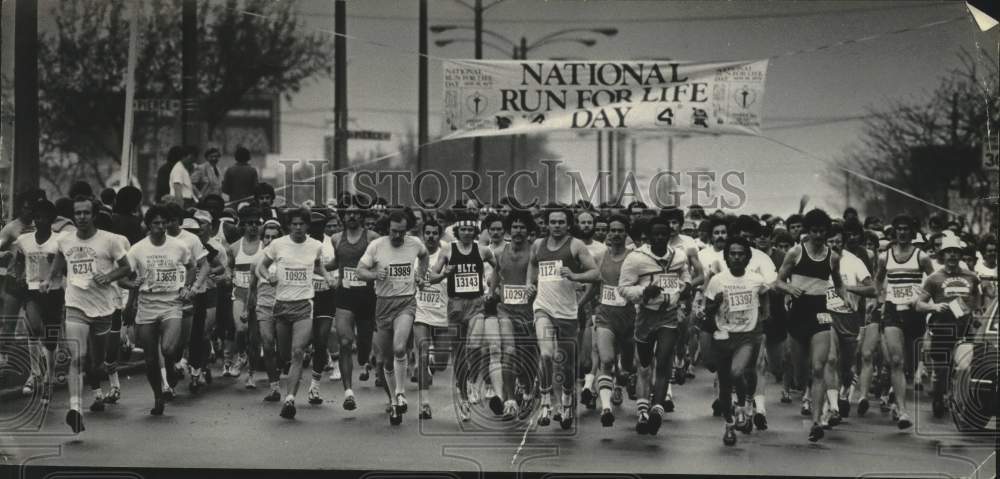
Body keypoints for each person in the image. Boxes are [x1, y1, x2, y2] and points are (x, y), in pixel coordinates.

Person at [42, 197, 132, 433]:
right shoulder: (64, 240)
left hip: (103, 308)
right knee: (78, 357)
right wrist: (49, 279)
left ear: (94, 215)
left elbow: (127, 268)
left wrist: (109, 277)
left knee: (97, 364)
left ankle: (93, 387)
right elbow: (58, 264)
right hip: (75, 304)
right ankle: (76, 409)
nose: (81, 217)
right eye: (78, 213)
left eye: (86, 213)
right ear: (74, 215)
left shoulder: (110, 241)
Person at [774, 208, 846, 441]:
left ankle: (816, 422)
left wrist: (844, 298)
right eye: (814, 230)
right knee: (801, 372)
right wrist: (789, 288)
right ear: (808, 231)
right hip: (798, 312)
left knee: (818, 368)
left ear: (827, 232)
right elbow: (778, 281)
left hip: (820, 312)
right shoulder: (796, 253)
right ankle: (804, 390)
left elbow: (838, 282)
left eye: (822, 231)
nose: (818, 235)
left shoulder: (832, 257)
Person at [256, 208, 334, 419]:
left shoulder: (315, 246)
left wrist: (326, 276)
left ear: (307, 226)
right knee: (284, 355)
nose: (298, 227)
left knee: (297, 351)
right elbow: (261, 267)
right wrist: (268, 277)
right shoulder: (278, 244)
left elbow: (317, 266)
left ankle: (290, 399)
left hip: (304, 305)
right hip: (282, 305)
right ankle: (289, 371)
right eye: (294, 224)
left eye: (302, 224)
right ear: (289, 226)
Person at [618, 216, 693, 435]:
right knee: (643, 365)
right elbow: (623, 289)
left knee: (664, 359)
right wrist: (643, 292)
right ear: (648, 237)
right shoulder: (635, 259)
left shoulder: (678, 256)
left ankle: (657, 409)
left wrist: (685, 288)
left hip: (668, 315)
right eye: (656, 234)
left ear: (669, 235)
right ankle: (642, 410)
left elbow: (686, 276)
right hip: (645, 317)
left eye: (664, 234)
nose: (660, 237)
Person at [121, 204, 198, 415]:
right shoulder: (137, 249)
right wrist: (131, 289)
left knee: (168, 349)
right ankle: (157, 396)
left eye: (164, 223)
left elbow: (192, 267)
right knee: (150, 359)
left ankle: (171, 368)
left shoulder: (179, 246)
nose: (161, 227)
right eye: (156, 223)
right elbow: (123, 276)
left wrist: (186, 287)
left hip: (171, 303)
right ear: (148, 225)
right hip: (147, 304)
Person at [528, 207, 599, 429]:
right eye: (552, 222)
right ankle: (547, 400)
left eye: (560, 222)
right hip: (543, 308)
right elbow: (532, 265)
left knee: (567, 365)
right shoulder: (538, 245)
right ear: (546, 224)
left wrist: (575, 275)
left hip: (567, 311)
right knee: (547, 354)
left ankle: (568, 398)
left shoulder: (576, 245)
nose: (556, 225)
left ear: (568, 224)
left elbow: (595, 274)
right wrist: (530, 284)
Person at [356, 211, 429, 425]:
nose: (398, 236)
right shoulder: (377, 246)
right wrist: (373, 275)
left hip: (406, 302)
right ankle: (394, 403)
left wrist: (421, 276)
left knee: (399, 348)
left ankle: (400, 392)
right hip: (383, 304)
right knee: (386, 360)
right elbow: (360, 271)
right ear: (387, 229)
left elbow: (424, 256)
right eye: (394, 232)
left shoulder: (414, 243)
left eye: (402, 232)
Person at [427, 215, 499, 420]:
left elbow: (499, 268)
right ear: (457, 232)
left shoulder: (483, 250)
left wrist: (491, 288)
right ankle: (464, 393)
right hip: (456, 305)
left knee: (475, 346)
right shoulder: (448, 249)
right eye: (463, 230)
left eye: (470, 230)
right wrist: (444, 274)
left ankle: (472, 380)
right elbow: (432, 276)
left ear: (475, 232)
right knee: (459, 353)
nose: (467, 233)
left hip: (476, 303)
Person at [702, 236, 770, 446]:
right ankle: (729, 424)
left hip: (747, 335)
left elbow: (765, 295)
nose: (737, 257)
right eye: (733, 254)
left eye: (741, 254)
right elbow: (707, 310)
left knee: (738, 372)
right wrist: (717, 304)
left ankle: (742, 406)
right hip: (723, 335)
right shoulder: (717, 280)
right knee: (724, 385)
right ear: (727, 257)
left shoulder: (755, 280)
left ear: (747, 257)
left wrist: (765, 314)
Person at [871, 214, 934, 426]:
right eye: (899, 229)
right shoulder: (885, 257)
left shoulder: (922, 257)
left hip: (914, 312)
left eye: (906, 229)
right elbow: (878, 279)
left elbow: (933, 281)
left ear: (912, 231)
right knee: (896, 361)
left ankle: (897, 400)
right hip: (892, 311)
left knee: (909, 363)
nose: (902, 232)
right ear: (895, 232)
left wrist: (925, 300)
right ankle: (903, 410)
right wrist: (880, 298)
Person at [915, 234, 982, 419]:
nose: (952, 255)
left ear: (960, 255)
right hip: (942, 328)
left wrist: (975, 312)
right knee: (941, 371)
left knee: (964, 367)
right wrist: (934, 306)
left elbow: (977, 297)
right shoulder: (934, 278)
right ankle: (939, 396)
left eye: (956, 252)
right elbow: (919, 304)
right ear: (942, 255)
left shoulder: (971, 276)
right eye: (949, 252)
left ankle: (960, 402)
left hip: (964, 329)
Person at [11, 200, 63, 401]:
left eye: (42, 217)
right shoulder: (24, 240)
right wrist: (18, 276)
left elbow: (67, 266)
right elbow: (18, 261)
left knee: (50, 340)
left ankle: (49, 378)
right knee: (34, 328)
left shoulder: (60, 240)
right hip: (32, 291)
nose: (38, 220)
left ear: (51, 219)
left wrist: (56, 266)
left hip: (54, 292)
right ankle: (34, 374)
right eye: (36, 216)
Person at [331, 200, 381, 410]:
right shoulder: (335, 238)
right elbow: (337, 262)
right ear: (342, 216)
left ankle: (365, 357)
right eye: (348, 213)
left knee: (363, 350)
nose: (351, 216)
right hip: (345, 296)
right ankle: (348, 392)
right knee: (344, 342)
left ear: (362, 216)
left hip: (367, 297)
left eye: (355, 213)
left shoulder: (372, 238)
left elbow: (379, 263)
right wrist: (316, 267)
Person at [591, 214, 635, 427]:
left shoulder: (634, 258)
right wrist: (581, 304)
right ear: (607, 233)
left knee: (627, 367)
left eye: (620, 230)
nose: (615, 234)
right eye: (612, 230)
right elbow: (592, 283)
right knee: (606, 359)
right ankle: (606, 408)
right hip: (605, 316)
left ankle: (624, 376)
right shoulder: (600, 257)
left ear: (626, 233)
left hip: (630, 318)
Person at [412, 219, 449, 419]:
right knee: (423, 354)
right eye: (427, 233)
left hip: (442, 311)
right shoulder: (415, 255)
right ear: (422, 234)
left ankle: (434, 363)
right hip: (420, 310)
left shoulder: (447, 254)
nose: (431, 236)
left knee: (442, 363)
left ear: (440, 235)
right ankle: (424, 403)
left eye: (435, 233)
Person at [246, 219, 284, 401]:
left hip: (285, 306)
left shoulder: (288, 257)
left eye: (274, 237)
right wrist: (247, 310)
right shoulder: (256, 260)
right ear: (262, 239)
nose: (270, 240)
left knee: (284, 350)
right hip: (264, 306)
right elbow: (251, 288)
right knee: (268, 345)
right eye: (267, 237)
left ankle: (284, 365)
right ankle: (274, 387)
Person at [229, 207, 265, 389]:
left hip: (260, 294)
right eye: (249, 223)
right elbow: (228, 267)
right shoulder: (235, 247)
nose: (253, 227)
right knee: (241, 328)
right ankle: (241, 355)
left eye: (256, 223)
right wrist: (228, 275)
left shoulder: (265, 246)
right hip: (240, 292)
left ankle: (251, 374)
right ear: (243, 225)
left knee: (255, 337)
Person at [306, 210, 339, 406]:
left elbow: (339, 264)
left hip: (327, 294)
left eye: (320, 225)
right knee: (304, 342)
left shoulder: (331, 243)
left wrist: (331, 278)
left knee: (322, 338)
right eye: (313, 225)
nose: (316, 229)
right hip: (305, 296)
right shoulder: (302, 243)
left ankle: (314, 385)